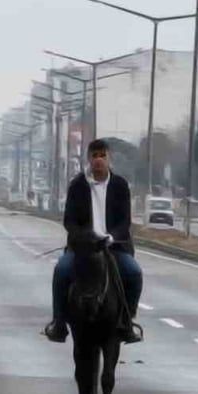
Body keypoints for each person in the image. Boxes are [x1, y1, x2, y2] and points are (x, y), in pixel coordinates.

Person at [44, 138, 142, 344]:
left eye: (102, 156)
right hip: (83, 248)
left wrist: (111, 237)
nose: (98, 160)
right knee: (61, 270)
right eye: (94, 156)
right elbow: (69, 221)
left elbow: (125, 222)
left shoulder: (120, 185)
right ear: (89, 159)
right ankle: (59, 323)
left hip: (114, 248)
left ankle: (127, 321)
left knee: (134, 272)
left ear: (109, 159)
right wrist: (84, 238)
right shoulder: (77, 185)